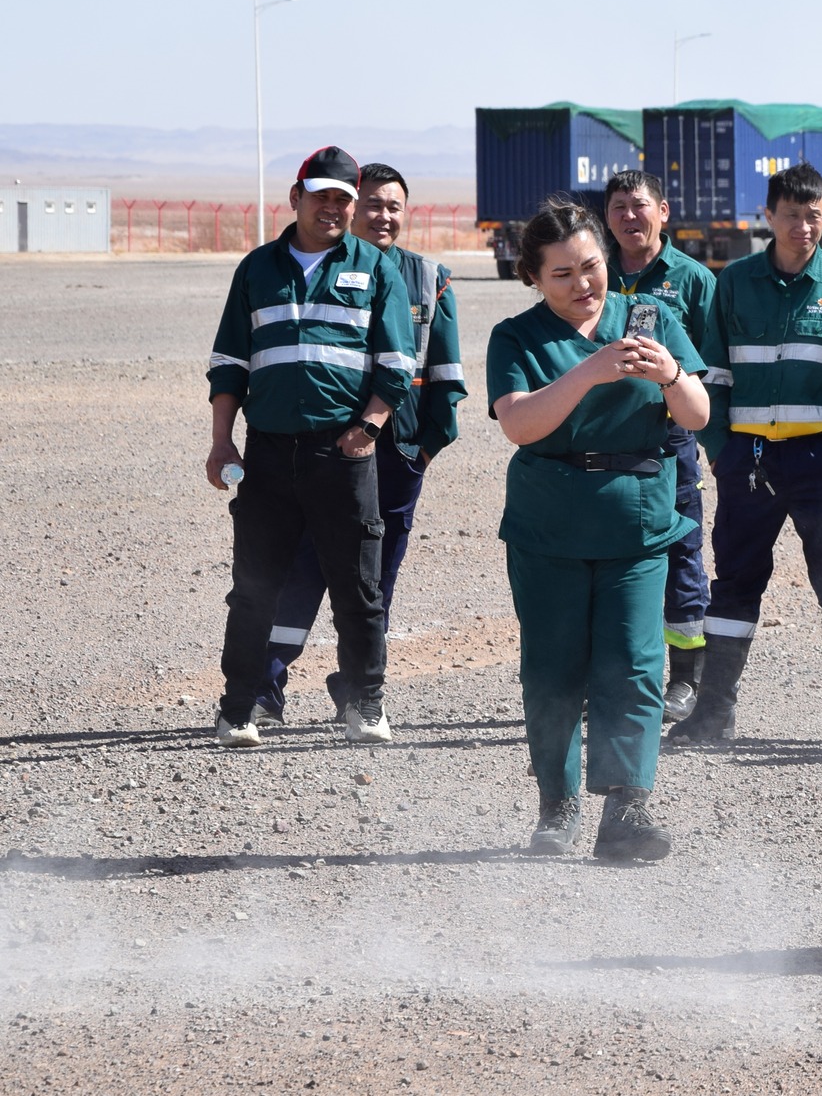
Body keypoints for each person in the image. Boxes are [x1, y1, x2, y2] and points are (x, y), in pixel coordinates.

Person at [486, 197, 710, 858]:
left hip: (636, 525)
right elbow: (519, 424)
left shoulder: (651, 317)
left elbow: (696, 413)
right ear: (534, 277)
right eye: (563, 274)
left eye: (591, 266)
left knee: (635, 666)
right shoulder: (517, 337)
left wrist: (669, 373)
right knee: (553, 670)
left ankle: (626, 811)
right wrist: (591, 370)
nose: (584, 284)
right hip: (549, 528)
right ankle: (557, 808)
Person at [672, 162, 822, 747]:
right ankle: (714, 712)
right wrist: (719, 448)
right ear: (768, 216)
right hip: (747, 462)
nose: (803, 227)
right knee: (735, 583)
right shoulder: (736, 282)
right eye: (791, 215)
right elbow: (712, 374)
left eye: (813, 216)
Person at [204, 147, 413, 748]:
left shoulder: (375, 268)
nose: (333, 207)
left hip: (343, 454)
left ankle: (366, 704)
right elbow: (229, 362)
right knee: (254, 587)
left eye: (343, 199)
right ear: (295, 198)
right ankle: (239, 707)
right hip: (267, 453)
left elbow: (396, 363)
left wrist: (369, 427)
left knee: (359, 586)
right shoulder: (257, 269)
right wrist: (222, 442)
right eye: (321, 195)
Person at [256, 163, 466, 727]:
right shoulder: (330, 266)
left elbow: (446, 375)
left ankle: (356, 688)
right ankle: (267, 684)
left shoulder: (428, 277)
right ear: (352, 209)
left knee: (372, 577)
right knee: (302, 567)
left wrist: (421, 449)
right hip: (323, 450)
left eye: (394, 206)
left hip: (394, 451)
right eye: (373, 204)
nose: (383, 216)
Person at [602, 170, 718, 724]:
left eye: (639, 205)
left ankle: (686, 679)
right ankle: (613, 674)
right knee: (611, 556)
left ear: (663, 211)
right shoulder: (592, 272)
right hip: (601, 438)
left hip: (671, 438)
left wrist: (712, 442)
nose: (629, 216)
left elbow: (712, 370)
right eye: (619, 206)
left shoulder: (692, 280)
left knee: (680, 555)